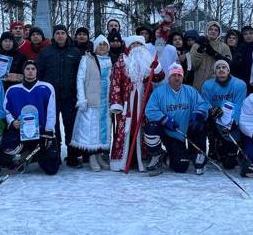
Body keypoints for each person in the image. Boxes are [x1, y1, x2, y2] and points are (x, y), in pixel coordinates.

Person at [109, 35, 164, 171]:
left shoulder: (149, 60)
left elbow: (159, 77)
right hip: (127, 103)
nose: (136, 48)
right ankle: (123, 160)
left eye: (139, 45)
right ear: (128, 47)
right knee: (126, 130)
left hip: (143, 102)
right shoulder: (121, 61)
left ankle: (142, 159)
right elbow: (115, 83)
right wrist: (116, 103)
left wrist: (156, 68)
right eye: (133, 45)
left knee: (142, 129)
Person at [143, 64, 210, 175]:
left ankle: (197, 154)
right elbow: (150, 110)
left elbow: (201, 105)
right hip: (168, 133)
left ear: (183, 77)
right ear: (169, 77)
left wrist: (197, 115)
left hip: (183, 133)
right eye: (174, 75)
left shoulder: (190, 91)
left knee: (181, 167)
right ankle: (157, 156)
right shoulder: (159, 92)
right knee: (151, 127)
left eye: (179, 75)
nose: (177, 78)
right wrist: (165, 120)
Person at [0, 60, 60, 175]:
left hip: (42, 133)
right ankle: (24, 153)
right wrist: (12, 122)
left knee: (52, 168)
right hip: (19, 132)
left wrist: (48, 132)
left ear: (37, 71)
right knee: (4, 161)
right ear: (23, 72)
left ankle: (34, 154)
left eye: (33, 69)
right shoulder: (13, 90)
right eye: (27, 69)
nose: (30, 71)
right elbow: (6, 110)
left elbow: (51, 111)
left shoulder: (47, 87)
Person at [36, 24, 83, 167]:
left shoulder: (75, 52)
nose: (60, 35)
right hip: (51, 98)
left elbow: (80, 75)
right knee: (53, 127)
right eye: (57, 33)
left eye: (63, 33)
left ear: (67, 35)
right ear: (54, 36)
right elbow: (40, 73)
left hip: (70, 96)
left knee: (71, 126)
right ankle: (54, 154)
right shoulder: (45, 52)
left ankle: (72, 156)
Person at [71, 35, 114, 170]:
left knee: (102, 130)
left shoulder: (109, 61)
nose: (102, 47)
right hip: (91, 100)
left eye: (104, 44)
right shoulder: (86, 59)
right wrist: (82, 99)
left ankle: (99, 154)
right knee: (90, 130)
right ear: (95, 46)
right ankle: (92, 156)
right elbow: (80, 79)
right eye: (100, 44)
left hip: (105, 101)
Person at [201, 59, 247, 169]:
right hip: (215, 120)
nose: (221, 70)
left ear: (228, 70)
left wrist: (234, 122)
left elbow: (239, 105)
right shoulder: (208, 85)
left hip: (232, 121)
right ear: (214, 72)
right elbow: (205, 102)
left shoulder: (239, 84)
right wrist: (211, 110)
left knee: (229, 164)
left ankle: (236, 150)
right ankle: (213, 146)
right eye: (218, 68)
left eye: (224, 67)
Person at [189, 21, 232, 92]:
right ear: (207, 30)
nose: (213, 31)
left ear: (219, 32)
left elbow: (228, 67)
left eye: (216, 30)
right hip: (199, 85)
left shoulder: (224, 47)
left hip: (217, 86)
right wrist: (199, 52)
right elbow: (192, 66)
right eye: (211, 29)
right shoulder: (196, 45)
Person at [234, 26, 253, 91]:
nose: (248, 36)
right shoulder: (240, 47)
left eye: (250, 33)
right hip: (242, 79)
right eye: (245, 34)